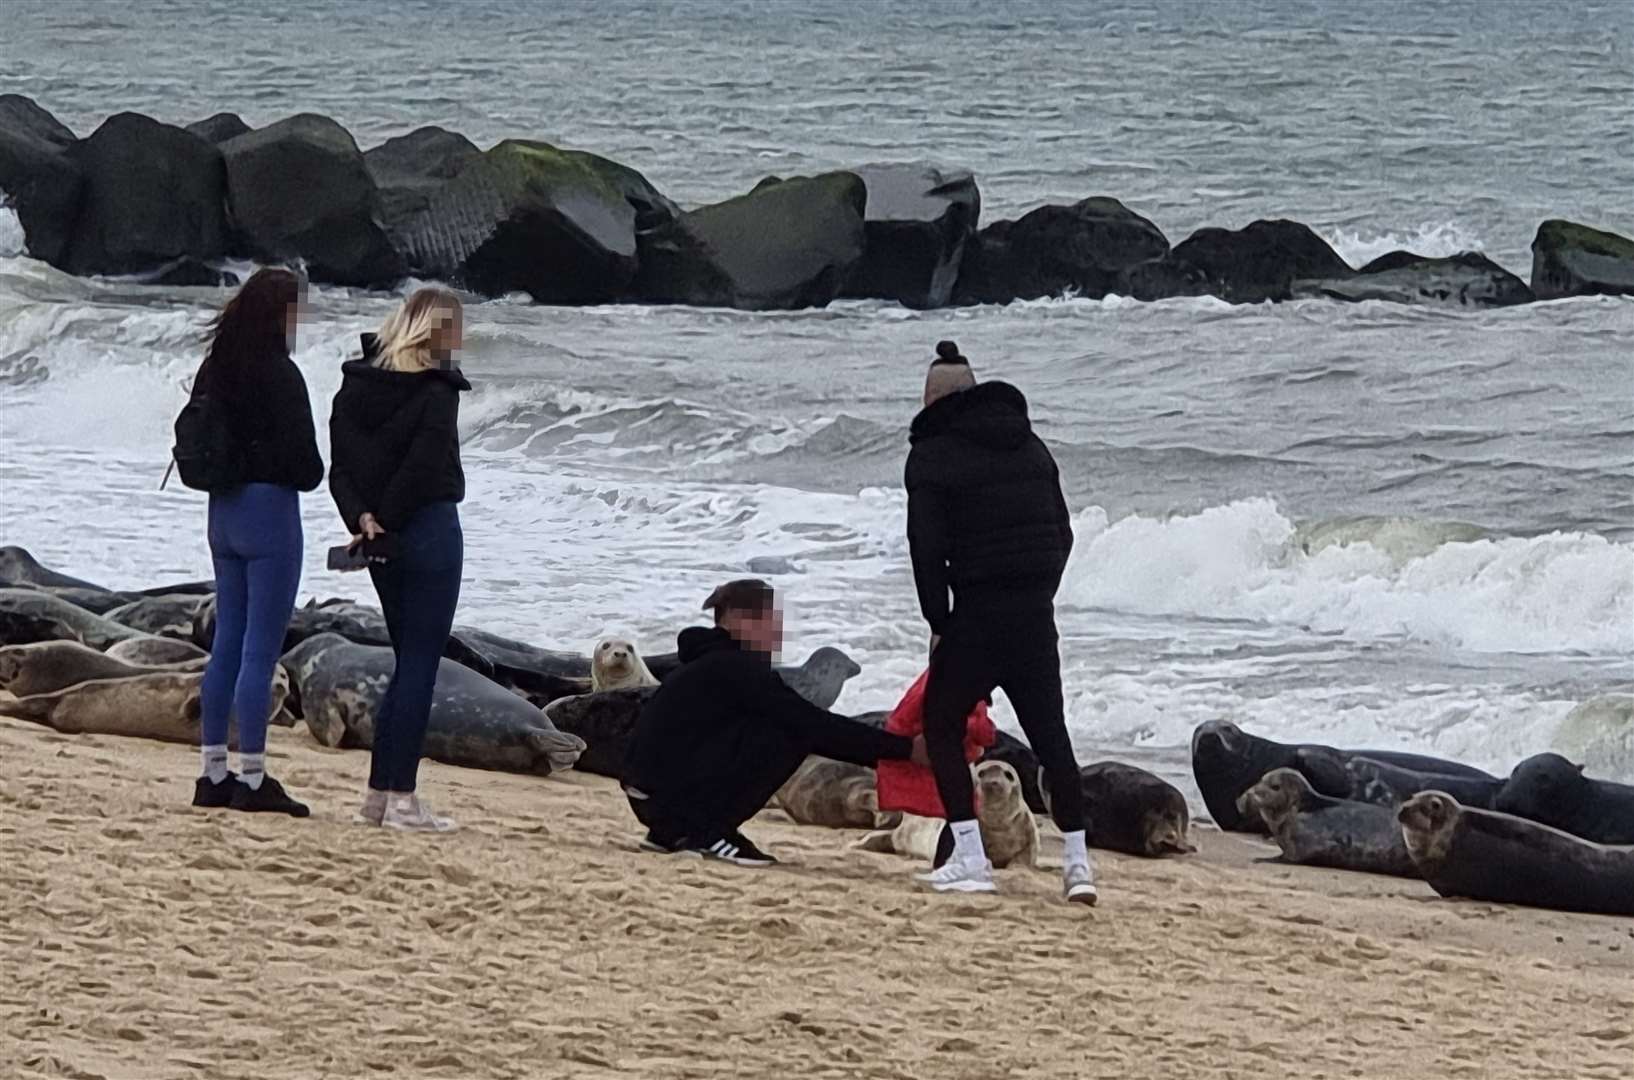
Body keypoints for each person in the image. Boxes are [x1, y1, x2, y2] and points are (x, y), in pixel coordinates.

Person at [904, 339, 1096, 903]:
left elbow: (925, 547)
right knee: (1052, 739)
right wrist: (1040, 592)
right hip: (1035, 615)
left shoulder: (932, 455)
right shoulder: (1032, 447)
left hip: (978, 615)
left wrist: (938, 619)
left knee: (940, 723)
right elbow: (1062, 533)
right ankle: (1079, 867)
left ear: (935, 399)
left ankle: (969, 856)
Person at [623, 579, 930, 866]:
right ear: (741, 620)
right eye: (771, 622)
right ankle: (710, 833)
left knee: (785, 724)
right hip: (668, 799)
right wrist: (905, 750)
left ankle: (670, 834)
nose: (778, 634)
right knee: (791, 732)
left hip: (647, 796)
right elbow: (815, 725)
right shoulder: (737, 668)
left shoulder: (703, 664)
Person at [329, 287, 470, 833]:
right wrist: (388, 514)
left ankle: (377, 796)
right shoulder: (437, 391)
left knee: (403, 660)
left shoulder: (356, 384)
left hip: (380, 539)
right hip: (428, 528)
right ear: (438, 332)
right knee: (419, 665)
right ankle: (404, 799)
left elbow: (340, 466)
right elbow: (424, 466)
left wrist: (363, 518)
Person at [190, 267, 323, 816]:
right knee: (259, 650)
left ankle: (212, 771)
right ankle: (252, 778)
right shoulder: (281, 374)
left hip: (221, 510)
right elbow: (308, 467)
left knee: (226, 644)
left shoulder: (214, 368)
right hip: (269, 513)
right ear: (281, 314)